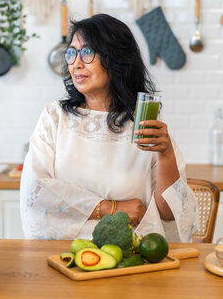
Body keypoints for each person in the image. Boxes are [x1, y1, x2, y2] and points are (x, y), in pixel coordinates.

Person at [19, 13, 198, 242]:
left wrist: (165, 154)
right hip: (64, 256)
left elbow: (169, 214)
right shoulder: (55, 117)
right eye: (72, 53)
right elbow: (36, 193)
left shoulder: (144, 120)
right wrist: (111, 208)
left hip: (132, 258)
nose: (76, 63)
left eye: (87, 52)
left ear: (116, 58)